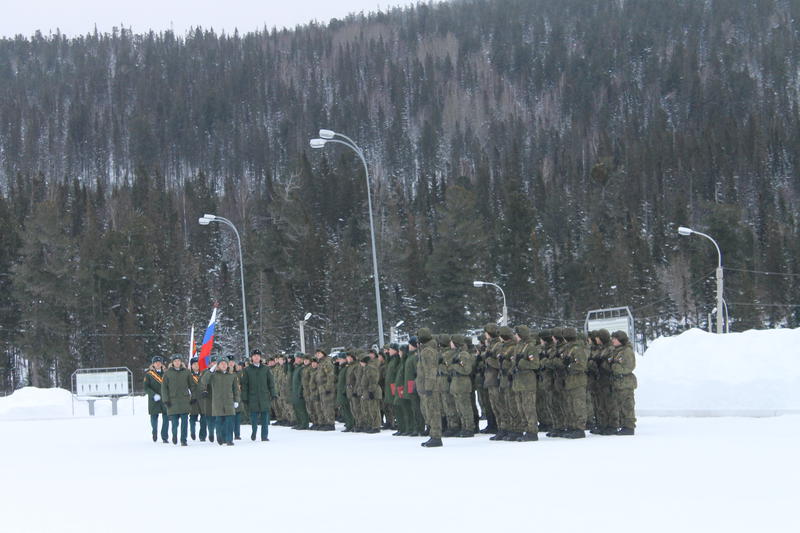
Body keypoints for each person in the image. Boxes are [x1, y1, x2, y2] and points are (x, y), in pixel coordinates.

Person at [203, 357, 240, 446]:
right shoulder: (214, 375)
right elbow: (204, 381)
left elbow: (236, 389)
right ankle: (220, 436)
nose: (223, 365)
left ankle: (229, 439)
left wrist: (236, 400)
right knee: (219, 421)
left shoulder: (232, 376)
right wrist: (210, 371)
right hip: (217, 402)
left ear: (227, 365)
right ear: (218, 365)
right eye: (221, 363)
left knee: (229, 422)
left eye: (225, 363)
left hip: (229, 401)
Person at [241, 348, 276, 441]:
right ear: (252, 358)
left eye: (258, 356)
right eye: (254, 356)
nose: (256, 357)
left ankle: (264, 436)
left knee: (265, 418)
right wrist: (244, 397)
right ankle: (254, 432)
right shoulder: (247, 370)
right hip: (252, 397)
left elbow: (271, 383)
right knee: (253, 418)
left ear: (260, 357)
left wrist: (273, 394)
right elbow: (244, 385)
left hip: (264, 396)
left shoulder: (266, 369)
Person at [512, 325, 539, 442]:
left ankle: (532, 431)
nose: (515, 336)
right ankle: (526, 429)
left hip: (527, 382)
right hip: (518, 382)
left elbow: (535, 364)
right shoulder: (518, 347)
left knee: (529, 408)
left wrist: (522, 362)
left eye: (516, 334)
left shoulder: (530, 347)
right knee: (521, 408)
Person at [417, 328, 443, 447]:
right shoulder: (427, 350)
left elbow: (430, 371)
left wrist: (428, 387)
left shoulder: (427, 351)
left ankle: (436, 436)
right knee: (430, 411)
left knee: (433, 411)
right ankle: (433, 434)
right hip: (428, 386)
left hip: (431, 387)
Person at [609, 330, 637, 435]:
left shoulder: (627, 351)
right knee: (620, 405)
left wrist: (615, 366)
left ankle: (629, 427)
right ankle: (623, 425)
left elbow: (629, 367)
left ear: (620, 340)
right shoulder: (616, 351)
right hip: (618, 383)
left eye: (615, 339)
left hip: (625, 383)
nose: (613, 341)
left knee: (627, 405)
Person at [161, 354, 192, 446]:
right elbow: (164, 388)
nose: (177, 362)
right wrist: (166, 400)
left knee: (184, 422)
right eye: (175, 361)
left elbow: (192, 385)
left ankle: (183, 439)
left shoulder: (187, 372)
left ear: (181, 362)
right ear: (172, 363)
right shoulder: (167, 373)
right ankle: (174, 435)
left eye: (179, 361)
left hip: (184, 401)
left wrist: (193, 397)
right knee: (174, 423)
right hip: (172, 401)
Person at [448, 334, 476, 437]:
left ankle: (469, 428)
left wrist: (455, 366)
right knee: (460, 408)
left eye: (452, 342)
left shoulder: (463, 354)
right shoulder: (457, 354)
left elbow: (467, 370)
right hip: (457, 383)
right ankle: (464, 427)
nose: (450, 344)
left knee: (465, 407)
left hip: (462, 384)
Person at [143, 356, 169, 443]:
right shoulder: (149, 374)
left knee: (166, 418)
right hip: (153, 399)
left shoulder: (166, 373)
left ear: (161, 364)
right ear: (153, 364)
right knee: (154, 417)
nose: (158, 364)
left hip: (164, 398)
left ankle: (164, 436)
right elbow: (146, 387)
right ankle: (154, 431)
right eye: (156, 362)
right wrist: (153, 395)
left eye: (159, 362)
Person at [404, 338, 424, 436]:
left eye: (410, 345)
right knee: (414, 407)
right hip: (411, 384)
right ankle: (417, 427)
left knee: (417, 408)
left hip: (414, 384)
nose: (409, 347)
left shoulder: (415, 357)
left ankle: (419, 427)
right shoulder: (410, 356)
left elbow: (417, 371)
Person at [313, 348, 336, 431]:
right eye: (316, 353)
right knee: (323, 406)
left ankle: (330, 423)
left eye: (319, 353)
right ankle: (326, 422)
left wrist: (328, 387)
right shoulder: (321, 363)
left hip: (326, 387)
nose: (317, 355)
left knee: (328, 406)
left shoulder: (326, 362)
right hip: (321, 388)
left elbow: (330, 375)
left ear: (323, 353)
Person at [199, 355, 219, 442]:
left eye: (216, 363)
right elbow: (202, 383)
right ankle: (211, 432)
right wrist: (204, 390)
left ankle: (219, 434)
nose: (214, 364)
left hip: (219, 397)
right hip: (209, 397)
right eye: (213, 363)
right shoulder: (205, 372)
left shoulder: (220, 373)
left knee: (218, 417)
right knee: (210, 417)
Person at [291, 353, 310, 430]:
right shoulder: (297, 368)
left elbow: (302, 382)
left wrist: (300, 391)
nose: (296, 359)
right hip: (295, 391)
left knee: (301, 408)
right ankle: (299, 422)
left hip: (300, 391)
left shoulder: (302, 368)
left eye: (298, 358)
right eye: (296, 358)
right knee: (296, 408)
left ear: (302, 359)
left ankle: (304, 423)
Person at [188, 357, 202, 440]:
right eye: (194, 364)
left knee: (203, 417)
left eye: (198, 364)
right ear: (191, 365)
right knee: (193, 417)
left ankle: (202, 435)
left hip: (202, 399)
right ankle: (192, 432)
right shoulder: (188, 374)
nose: (196, 366)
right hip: (193, 399)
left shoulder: (203, 373)